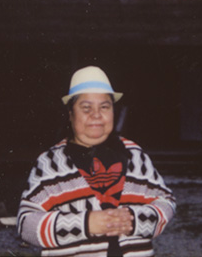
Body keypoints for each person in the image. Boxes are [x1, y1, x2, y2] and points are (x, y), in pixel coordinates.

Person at [18, 66, 176, 257]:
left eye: (104, 107)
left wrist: (135, 220)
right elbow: (26, 225)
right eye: (86, 108)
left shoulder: (134, 154)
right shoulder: (50, 163)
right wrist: (86, 224)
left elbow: (166, 201)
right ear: (70, 114)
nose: (96, 115)